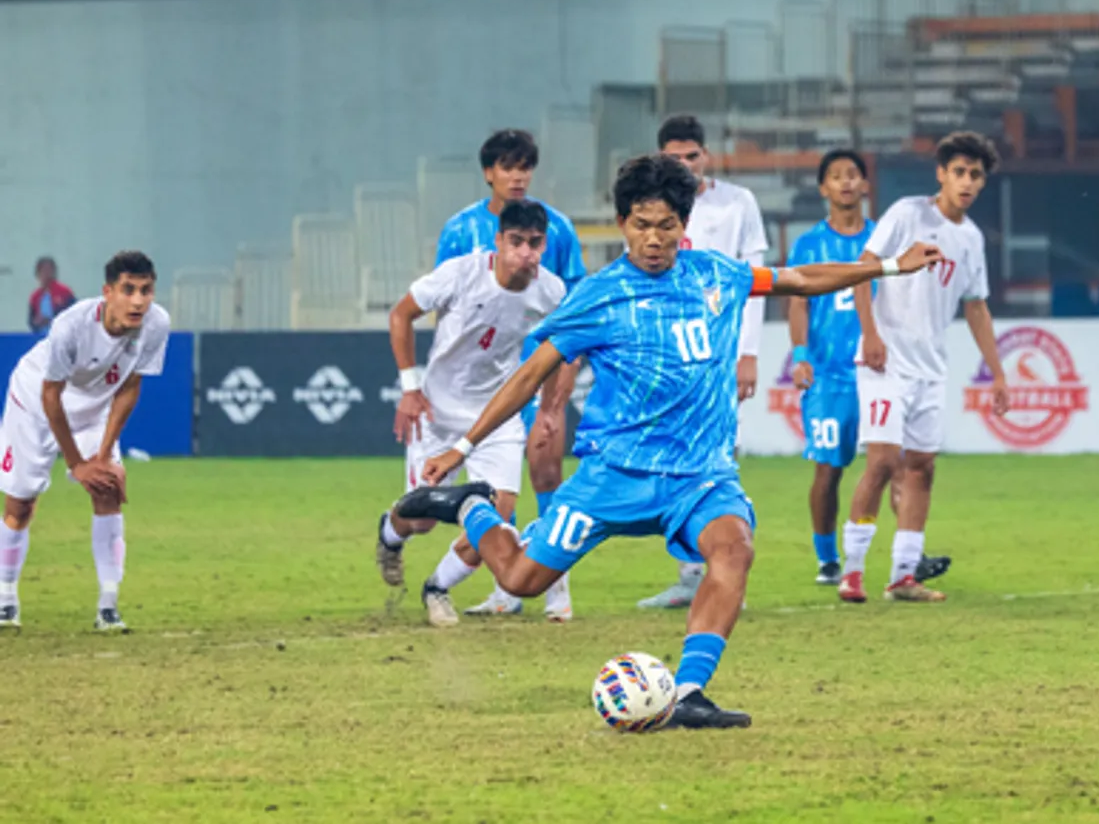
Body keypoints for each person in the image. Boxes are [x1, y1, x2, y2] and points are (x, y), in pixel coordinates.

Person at [391, 154, 941, 728]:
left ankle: (688, 693)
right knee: (522, 580)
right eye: (640, 225)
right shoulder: (598, 296)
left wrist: (889, 268)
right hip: (614, 475)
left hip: (699, 475)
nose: (653, 239)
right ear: (623, 224)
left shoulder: (716, 275)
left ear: (684, 226)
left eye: (666, 226)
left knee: (734, 550)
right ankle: (471, 506)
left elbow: (799, 278)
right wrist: (464, 448)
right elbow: (529, 374)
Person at [377, 201, 568, 626]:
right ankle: (389, 535)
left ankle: (437, 587)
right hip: (437, 414)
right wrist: (410, 389)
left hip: (497, 416)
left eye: (535, 243)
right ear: (498, 242)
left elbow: (560, 351)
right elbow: (401, 314)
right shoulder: (461, 274)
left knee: (496, 519)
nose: (526, 253)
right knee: (422, 520)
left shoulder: (551, 292)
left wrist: (550, 411)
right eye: (516, 242)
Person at [840, 131, 1010, 604]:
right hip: (886, 359)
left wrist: (997, 372)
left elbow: (976, 307)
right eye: (959, 172)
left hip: (931, 366)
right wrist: (870, 333)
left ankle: (902, 576)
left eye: (976, 175)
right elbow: (863, 268)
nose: (967, 182)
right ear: (941, 174)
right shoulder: (907, 214)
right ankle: (851, 571)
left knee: (921, 467)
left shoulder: (971, 239)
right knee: (882, 462)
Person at [433, 128, 585, 618]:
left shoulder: (554, 228)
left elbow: (574, 307)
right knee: (494, 488)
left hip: (537, 372)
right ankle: (507, 585)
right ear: (488, 173)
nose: (517, 176)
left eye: (525, 167)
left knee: (544, 470)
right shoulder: (459, 230)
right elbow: (445, 306)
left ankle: (557, 585)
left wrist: (556, 399)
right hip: (478, 383)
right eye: (507, 167)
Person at [789, 150, 953, 589]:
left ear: (865, 185)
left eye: (853, 176)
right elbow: (798, 301)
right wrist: (800, 354)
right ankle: (828, 559)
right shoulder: (808, 244)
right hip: (830, 373)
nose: (845, 183)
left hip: (885, 366)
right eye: (836, 177)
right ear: (823, 188)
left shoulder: (889, 233)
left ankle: (908, 558)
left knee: (895, 463)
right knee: (830, 468)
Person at [638, 113, 769, 610]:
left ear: (707, 156)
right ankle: (693, 574)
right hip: (668, 351)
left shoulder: (737, 204)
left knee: (717, 458)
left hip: (718, 354)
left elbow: (755, 283)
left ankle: (723, 566)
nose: (686, 165)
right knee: (673, 457)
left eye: (692, 156)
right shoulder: (654, 208)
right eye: (675, 158)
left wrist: (748, 353)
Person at [0, 251, 169, 631]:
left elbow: (130, 387)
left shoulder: (156, 324)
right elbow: (50, 397)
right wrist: (78, 464)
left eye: (146, 290)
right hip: (34, 401)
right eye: (128, 290)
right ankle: (5, 597)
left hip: (94, 406)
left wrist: (104, 455)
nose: (138, 300)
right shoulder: (71, 326)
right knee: (21, 503)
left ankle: (108, 607)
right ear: (107, 292)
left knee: (107, 489)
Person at [28, 256, 76, 336]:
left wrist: (51, 320)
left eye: (49, 270)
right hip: (41, 337)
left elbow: (74, 315)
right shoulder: (35, 296)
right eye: (44, 271)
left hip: (62, 336)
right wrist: (36, 322)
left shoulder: (65, 292)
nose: (47, 274)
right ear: (38, 273)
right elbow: (30, 321)